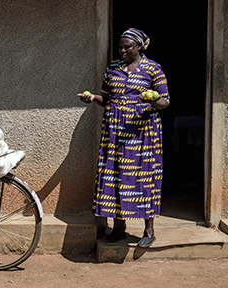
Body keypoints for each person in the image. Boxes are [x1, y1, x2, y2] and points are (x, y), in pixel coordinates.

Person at [77, 28, 170, 248]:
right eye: (120, 46)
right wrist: (93, 98)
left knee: (144, 176)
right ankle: (119, 228)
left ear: (139, 47)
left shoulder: (153, 69)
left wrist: (153, 101)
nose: (123, 50)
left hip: (143, 132)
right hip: (115, 131)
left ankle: (149, 230)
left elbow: (165, 101)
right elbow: (107, 99)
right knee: (115, 176)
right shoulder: (113, 68)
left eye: (127, 47)